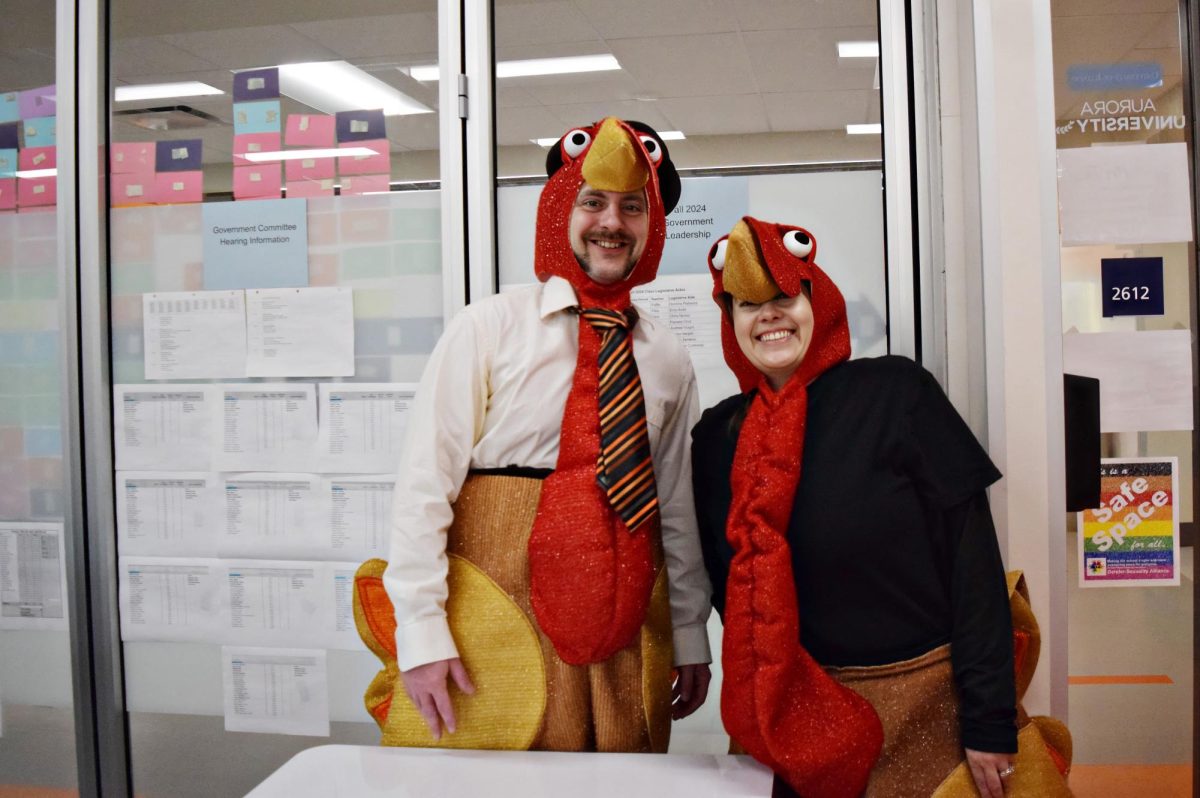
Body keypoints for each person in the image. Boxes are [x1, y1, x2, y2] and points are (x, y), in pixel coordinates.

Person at [383, 117, 712, 753]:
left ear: (654, 225)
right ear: (562, 208)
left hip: (621, 624)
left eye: (632, 206)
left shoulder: (667, 355)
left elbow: (674, 506)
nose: (611, 222)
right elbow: (424, 485)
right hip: (492, 614)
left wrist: (689, 631)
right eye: (593, 201)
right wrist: (420, 630)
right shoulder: (488, 327)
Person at [691, 217, 1017, 797]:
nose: (767, 313)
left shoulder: (897, 393)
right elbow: (724, 581)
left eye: (785, 294)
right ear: (730, 324)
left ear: (818, 301)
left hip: (919, 704)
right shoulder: (718, 436)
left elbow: (973, 566)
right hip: (784, 712)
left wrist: (989, 717)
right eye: (746, 304)